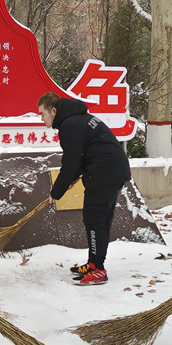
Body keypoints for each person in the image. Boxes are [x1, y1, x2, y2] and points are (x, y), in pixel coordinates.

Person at [37, 93, 131, 286]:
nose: (41, 118)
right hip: (112, 170)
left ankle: (98, 270)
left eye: (42, 114)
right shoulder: (80, 119)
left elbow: (71, 162)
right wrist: (70, 179)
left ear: (53, 111)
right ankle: (94, 264)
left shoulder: (70, 125)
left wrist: (56, 192)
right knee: (100, 219)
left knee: (95, 219)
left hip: (104, 172)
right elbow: (82, 155)